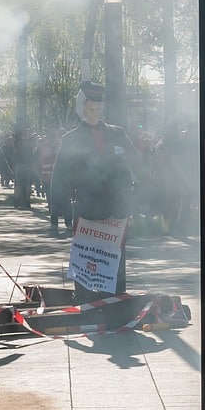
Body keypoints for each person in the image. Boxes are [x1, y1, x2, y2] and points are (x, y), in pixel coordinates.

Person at [48, 82, 139, 302]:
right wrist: (59, 210)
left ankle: (116, 305)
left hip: (116, 212)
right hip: (87, 212)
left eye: (98, 109)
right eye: (90, 109)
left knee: (114, 263)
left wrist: (136, 198)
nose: (95, 113)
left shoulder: (118, 134)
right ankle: (86, 306)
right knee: (86, 263)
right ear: (81, 108)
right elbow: (59, 177)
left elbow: (136, 163)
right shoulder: (71, 139)